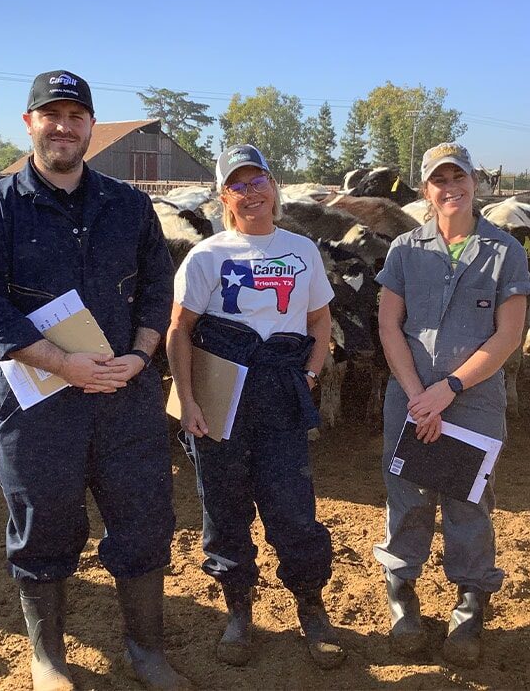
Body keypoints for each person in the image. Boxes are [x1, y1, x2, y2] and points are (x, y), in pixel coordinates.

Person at [0, 70, 188, 690]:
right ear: (29, 122)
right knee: (43, 521)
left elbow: (156, 287)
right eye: (50, 115)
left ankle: (147, 652)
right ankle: (49, 659)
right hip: (38, 403)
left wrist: (140, 356)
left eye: (75, 116)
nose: (64, 127)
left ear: (90, 126)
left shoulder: (129, 205)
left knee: (142, 518)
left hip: (124, 394)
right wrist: (64, 364)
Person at [166, 145, 345, 670]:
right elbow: (180, 331)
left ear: (274, 185)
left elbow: (319, 324)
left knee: (292, 507)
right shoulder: (207, 256)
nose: (251, 192)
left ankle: (311, 607)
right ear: (225, 195)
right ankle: (238, 609)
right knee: (224, 507)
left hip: (280, 392)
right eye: (238, 184)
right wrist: (189, 402)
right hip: (222, 395)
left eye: (258, 180)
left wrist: (309, 374)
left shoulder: (301, 251)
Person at [374, 143, 530, 667]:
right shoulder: (404, 248)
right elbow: (388, 325)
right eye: (439, 180)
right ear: (426, 189)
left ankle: (470, 601)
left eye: (458, 178)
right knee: (408, 495)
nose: (450, 188)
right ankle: (403, 594)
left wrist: (450, 389)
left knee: (469, 501)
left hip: (473, 400)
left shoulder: (504, 249)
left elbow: (509, 335)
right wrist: (418, 393)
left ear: (474, 183)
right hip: (411, 396)